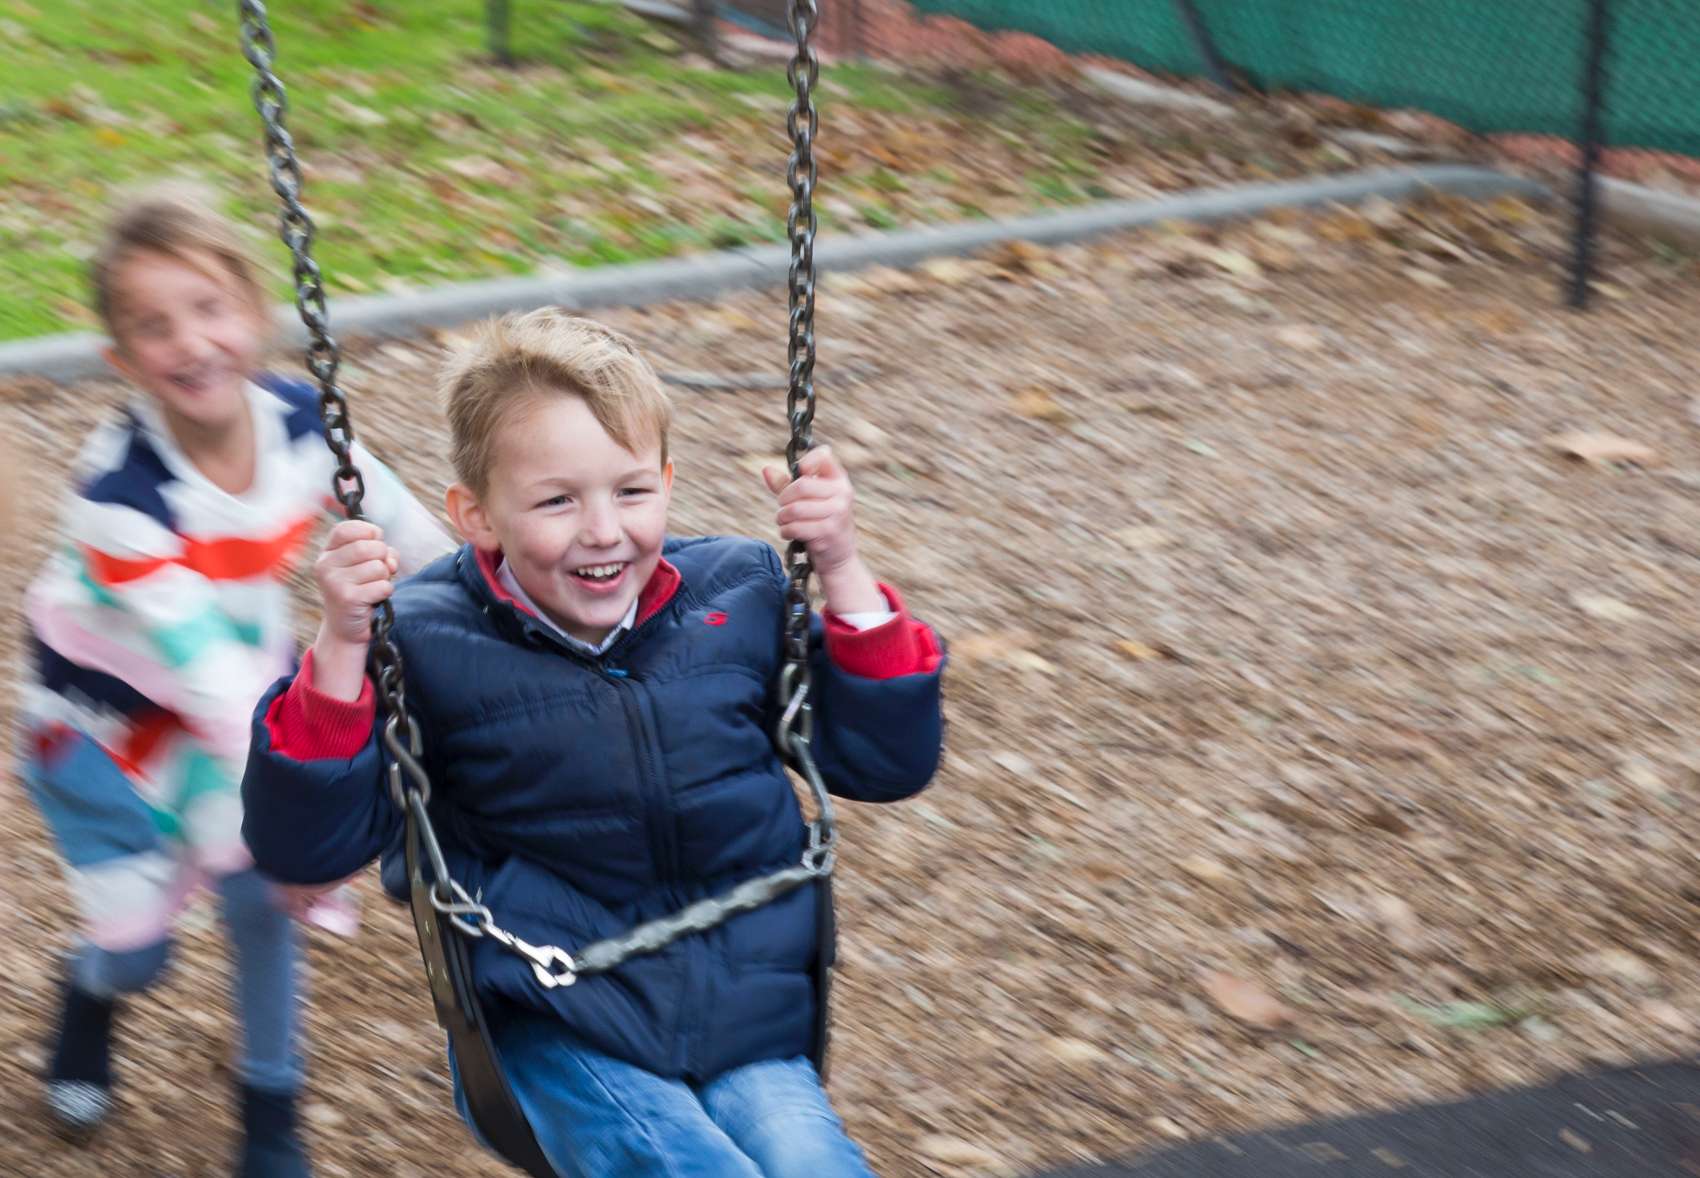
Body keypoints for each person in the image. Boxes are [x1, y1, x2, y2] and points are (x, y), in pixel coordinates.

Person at [241, 309, 945, 1177]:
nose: (604, 529)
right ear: (477, 516)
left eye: (632, 491)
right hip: (559, 1021)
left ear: (668, 483)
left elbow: (887, 762)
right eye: (557, 500)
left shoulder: (741, 593)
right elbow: (302, 849)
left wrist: (840, 567)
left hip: (745, 1010)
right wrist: (342, 645)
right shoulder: (419, 643)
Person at [20, 184, 451, 1176]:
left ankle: (271, 1119)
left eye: (209, 307)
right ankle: (91, 987)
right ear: (123, 361)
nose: (190, 341)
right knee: (143, 950)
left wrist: (497, 622)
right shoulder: (120, 497)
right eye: (154, 326)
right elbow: (205, 677)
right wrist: (312, 796)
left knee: (260, 899)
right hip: (108, 727)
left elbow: (417, 544)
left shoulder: (300, 424)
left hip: (236, 684)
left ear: (253, 315)